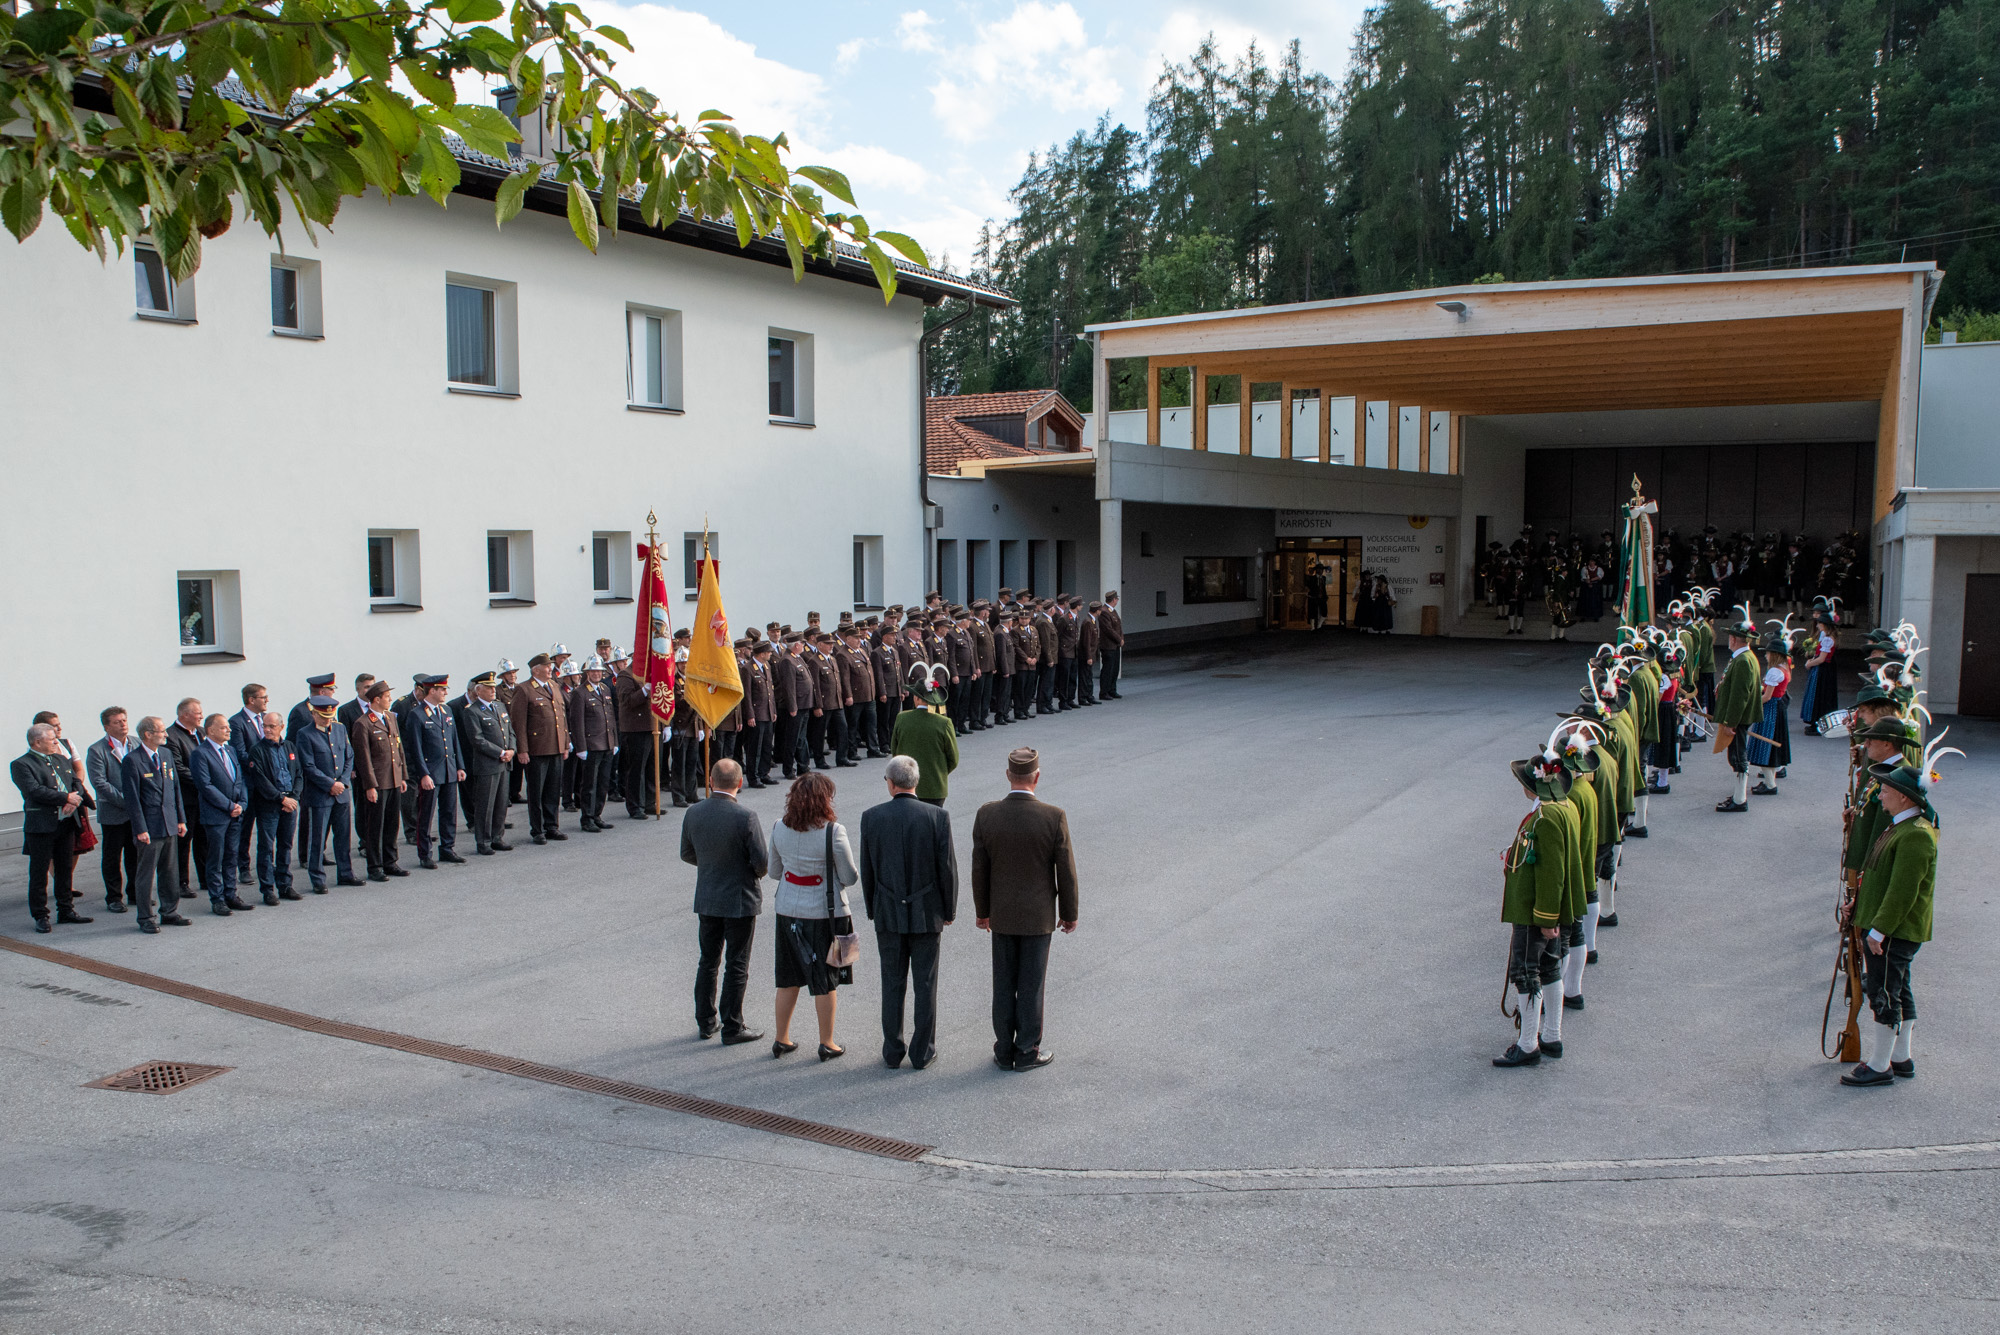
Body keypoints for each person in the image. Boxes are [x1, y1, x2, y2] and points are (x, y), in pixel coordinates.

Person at [971, 747, 1078, 1072]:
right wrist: (1069, 913)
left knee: (1003, 983)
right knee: (1031, 985)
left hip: (1001, 915)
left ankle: (1004, 1049)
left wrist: (982, 911)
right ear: (1037, 776)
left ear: (1008, 776)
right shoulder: (1053, 816)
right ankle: (1027, 1051)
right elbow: (1066, 871)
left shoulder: (987, 814)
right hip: (1038, 916)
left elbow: (980, 869)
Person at [1841, 754, 1944, 1087]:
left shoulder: (1915, 834)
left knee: (1883, 991)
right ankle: (1901, 1058)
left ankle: (1880, 1064)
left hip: (1894, 930)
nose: (1879, 794)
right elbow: (1879, 875)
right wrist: (1858, 904)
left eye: (1885, 789)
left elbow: (1903, 891)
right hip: (1887, 926)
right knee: (1900, 989)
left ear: (1903, 796)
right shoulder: (1903, 824)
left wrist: (1879, 930)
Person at [859, 755, 958, 1069]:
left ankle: (892, 1050)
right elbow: (947, 869)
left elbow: (868, 867)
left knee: (891, 982)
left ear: (890, 783)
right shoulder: (936, 817)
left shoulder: (871, 817)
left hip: (887, 909)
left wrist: (873, 905)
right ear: (916, 782)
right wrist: (949, 909)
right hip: (927, 911)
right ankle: (922, 1051)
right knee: (925, 983)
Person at [766, 771, 859, 1061]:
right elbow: (849, 876)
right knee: (825, 978)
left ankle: (782, 1038)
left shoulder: (779, 827)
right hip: (823, 913)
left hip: (787, 910)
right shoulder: (834, 831)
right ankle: (827, 1042)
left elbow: (774, 872)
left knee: (788, 977)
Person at [680, 758, 768, 1045]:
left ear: (710, 781)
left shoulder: (694, 812)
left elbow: (687, 853)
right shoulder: (746, 817)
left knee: (708, 960)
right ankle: (732, 1025)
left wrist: (710, 865)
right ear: (740, 783)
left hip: (708, 896)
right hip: (740, 899)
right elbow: (761, 863)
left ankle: (706, 1022)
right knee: (737, 963)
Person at [1494, 753, 1573, 1067]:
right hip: (1542, 909)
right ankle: (1551, 1035)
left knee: (1527, 973)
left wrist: (1545, 918)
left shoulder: (1546, 818)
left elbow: (1551, 872)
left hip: (1534, 911)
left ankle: (1528, 1044)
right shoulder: (1552, 810)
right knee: (1550, 970)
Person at [13, 721, 95, 932]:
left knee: (65, 868)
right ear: (37, 741)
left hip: (66, 824)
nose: (56, 743)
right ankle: (41, 915)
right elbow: (33, 791)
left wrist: (75, 798)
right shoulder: (21, 764)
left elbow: (74, 780)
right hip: (41, 826)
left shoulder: (59, 758)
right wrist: (64, 798)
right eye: (52, 740)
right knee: (39, 872)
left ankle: (66, 910)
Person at [120, 716, 191, 931]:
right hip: (149, 827)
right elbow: (132, 799)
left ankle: (169, 911)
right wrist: (140, 828)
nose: (166, 734)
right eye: (161, 731)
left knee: (170, 872)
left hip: (169, 823)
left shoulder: (166, 754)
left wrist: (180, 819)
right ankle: (145, 918)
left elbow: (175, 789)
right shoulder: (133, 760)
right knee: (146, 874)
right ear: (148, 734)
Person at [294, 695, 361, 891]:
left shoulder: (339, 728)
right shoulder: (305, 734)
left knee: (343, 837)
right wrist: (329, 784)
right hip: (319, 794)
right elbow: (307, 765)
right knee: (318, 839)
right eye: (323, 717)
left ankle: (346, 873)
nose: (327, 720)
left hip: (341, 792)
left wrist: (342, 782)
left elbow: (349, 756)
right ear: (314, 714)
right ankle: (317, 879)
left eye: (330, 716)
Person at [190, 713, 254, 916]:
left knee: (231, 856)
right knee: (215, 858)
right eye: (224, 727)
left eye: (228, 727)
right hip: (217, 815)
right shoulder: (201, 753)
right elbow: (205, 785)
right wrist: (228, 805)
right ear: (210, 730)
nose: (229, 730)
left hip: (236, 812)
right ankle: (217, 899)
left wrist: (242, 803)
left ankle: (231, 894)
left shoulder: (231, 750)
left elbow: (240, 778)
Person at [351, 680, 410, 880]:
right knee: (375, 825)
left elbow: (399, 748)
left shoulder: (391, 717)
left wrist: (403, 776)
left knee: (392, 823)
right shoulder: (363, 723)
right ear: (377, 699)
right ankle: (375, 866)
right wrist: (369, 785)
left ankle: (390, 861)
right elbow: (363, 758)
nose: (390, 700)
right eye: (387, 697)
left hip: (393, 778)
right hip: (378, 781)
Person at [509, 652, 571, 842]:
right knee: (536, 792)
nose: (550, 669)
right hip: (536, 749)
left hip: (556, 747)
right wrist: (522, 749)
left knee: (553, 790)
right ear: (536, 670)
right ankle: (537, 830)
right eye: (547, 666)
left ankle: (552, 826)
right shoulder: (524, 689)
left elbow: (562, 717)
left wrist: (566, 744)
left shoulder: (554, 686)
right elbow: (518, 723)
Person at [245, 711, 304, 904]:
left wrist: (293, 798)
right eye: (265, 726)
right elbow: (260, 780)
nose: (267, 730)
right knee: (266, 847)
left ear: (281, 727)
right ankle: (268, 889)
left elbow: (298, 774)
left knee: (286, 846)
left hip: (290, 804)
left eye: (271, 726)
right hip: (269, 805)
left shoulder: (289, 746)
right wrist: (281, 799)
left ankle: (285, 885)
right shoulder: (257, 750)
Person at [456, 671, 516, 854]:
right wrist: (500, 752)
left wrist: (512, 750)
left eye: (493, 688)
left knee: (501, 803)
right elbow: (477, 739)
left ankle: (497, 837)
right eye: (489, 689)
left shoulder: (499, 706)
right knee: (486, 805)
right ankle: (483, 841)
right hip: (488, 764)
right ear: (478, 690)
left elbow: (510, 731)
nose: (493, 691)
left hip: (504, 762)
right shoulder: (472, 711)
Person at [85, 707, 138, 914]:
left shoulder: (137, 743)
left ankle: (135, 893)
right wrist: (127, 801)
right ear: (107, 726)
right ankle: (114, 897)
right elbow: (100, 782)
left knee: (135, 855)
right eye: (117, 722)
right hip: (114, 813)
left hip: (136, 813)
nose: (123, 724)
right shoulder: (97, 750)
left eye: (124, 720)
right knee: (112, 857)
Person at [1712, 609, 1763, 813]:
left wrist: (1730, 723)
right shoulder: (1744, 657)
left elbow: (1739, 695)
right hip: (1740, 717)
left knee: (1739, 757)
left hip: (1739, 719)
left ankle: (1740, 799)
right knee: (1737, 756)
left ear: (1734, 639)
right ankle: (1738, 795)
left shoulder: (1743, 660)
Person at [890, 662, 959, 806]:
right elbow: (953, 758)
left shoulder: (902, 718)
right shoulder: (944, 722)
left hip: (906, 787)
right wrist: (939, 772)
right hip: (935, 787)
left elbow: (895, 752)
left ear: (916, 698)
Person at [567, 655, 619, 829]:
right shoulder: (579, 693)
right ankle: (587, 818)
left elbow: (611, 717)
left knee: (603, 782)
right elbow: (577, 721)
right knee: (589, 784)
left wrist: (614, 740)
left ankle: (597, 814)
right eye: (593, 670)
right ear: (587, 672)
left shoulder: (605, 689)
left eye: (599, 670)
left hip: (607, 743)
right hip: (591, 745)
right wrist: (580, 747)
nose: (597, 673)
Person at [165, 697, 206, 901]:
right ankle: (181, 882)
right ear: (185, 715)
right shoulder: (171, 736)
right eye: (198, 712)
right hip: (186, 798)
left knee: (203, 838)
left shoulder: (201, 732)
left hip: (203, 797)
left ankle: (206, 877)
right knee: (184, 842)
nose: (201, 715)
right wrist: (204, 781)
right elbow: (178, 768)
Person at [612, 649, 658, 818]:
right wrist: (645, 690)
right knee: (636, 769)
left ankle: (650, 802)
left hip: (652, 726)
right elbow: (627, 701)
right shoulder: (626, 675)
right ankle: (635, 806)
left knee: (652, 767)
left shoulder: (650, 674)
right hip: (635, 729)